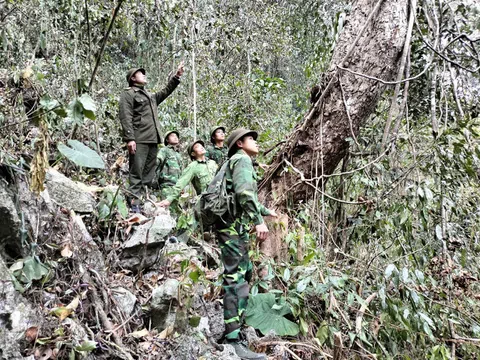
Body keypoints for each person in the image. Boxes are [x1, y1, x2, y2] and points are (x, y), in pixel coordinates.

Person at [216, 128, 276, 360]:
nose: (256, 142)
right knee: (235, 277)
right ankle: (232, 341)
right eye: (251, 139)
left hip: (234, 227)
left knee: (245, 272)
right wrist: (259, 221)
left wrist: (267, 211)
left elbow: (245, 195)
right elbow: (243, 194)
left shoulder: (240, 160)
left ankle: (236, 330)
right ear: (240, 143)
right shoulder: (241, 159)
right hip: (230, 227)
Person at [119, 63, 184, 213]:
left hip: (153, 139)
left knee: (148, 173)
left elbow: (166, 91)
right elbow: (125, 115)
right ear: (133, 78)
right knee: (137, 171)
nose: (144, 75)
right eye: (141, 73)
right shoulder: (128, 93)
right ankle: (134, 202)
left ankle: (142, 199)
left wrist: (177, 77)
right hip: (139, 138)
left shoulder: (149, 96)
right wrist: (130, 138)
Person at [158, 140, 217, 208]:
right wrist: (169, 200)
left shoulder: (213, 163)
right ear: (193, 154)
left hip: (220, 199)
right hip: (207, 203)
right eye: (197, 147)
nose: (201, 147)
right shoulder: (192, 166)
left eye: (202, 146)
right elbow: (181, 183)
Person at [155, 130, 184, 212]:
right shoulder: (164, 150)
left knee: (177, 210)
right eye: (172, 136)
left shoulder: (178, 154)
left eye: (176, 136)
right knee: (167, 210)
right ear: (167, 140)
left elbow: (181, 171)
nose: (175, 137)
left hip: (177, 187)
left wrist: (181, 187)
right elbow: (157, 162)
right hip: (167, 185)